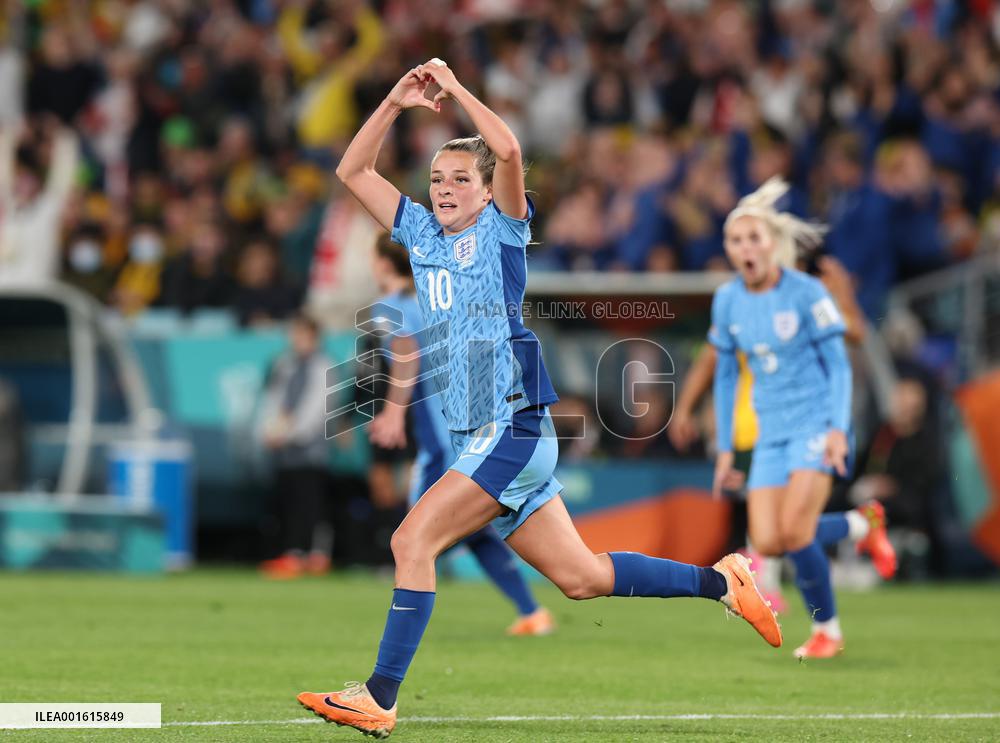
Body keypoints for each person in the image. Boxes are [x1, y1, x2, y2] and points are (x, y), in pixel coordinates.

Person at [297, 60, 782, 739]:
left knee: (411, 538)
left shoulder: (502, 231)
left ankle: (379, 696)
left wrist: (457, 89)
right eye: (436, 178)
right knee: (581, 577)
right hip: (485, 436)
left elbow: (510, 149)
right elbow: (352, 172)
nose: (444, 189)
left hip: (512, 422)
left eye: (460, 178)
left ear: (487, 190)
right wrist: (395, 101)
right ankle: (724, 582)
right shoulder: (419, 235)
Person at [709, 178, 897, 661]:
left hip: (816, 425)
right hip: (771, 433)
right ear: (728, 248)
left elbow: (838, 364)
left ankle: (827, 630)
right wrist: (728, 447)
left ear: (773, 245)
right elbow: (728, 375)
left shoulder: (806, 292)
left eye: (754, 238)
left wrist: (837, 429)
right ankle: (861, 526)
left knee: (796, 532)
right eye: (736, 240)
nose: (746, 248)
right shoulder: (727, 300)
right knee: (769, 542)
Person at [368, 233, 555, 636]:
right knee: (465, 531)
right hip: (471, 425)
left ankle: (402, 627)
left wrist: (393, 412)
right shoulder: (435, 298)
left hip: (440, 436)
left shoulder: (391, 308)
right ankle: (530, 610)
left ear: (382, 264)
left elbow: (406, 357)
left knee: (415, 533)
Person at [257, 313, 334, 578]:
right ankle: (293, 553)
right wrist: (271, 430)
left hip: (310, 449)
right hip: (286, 449)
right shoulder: (285, 365)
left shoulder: (323, 366)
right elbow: (274, 400)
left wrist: (288, 433)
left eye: (302, 335)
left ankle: (314, 555)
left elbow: (316, 409)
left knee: (309, 501)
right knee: (288, 501)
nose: (296, 340)